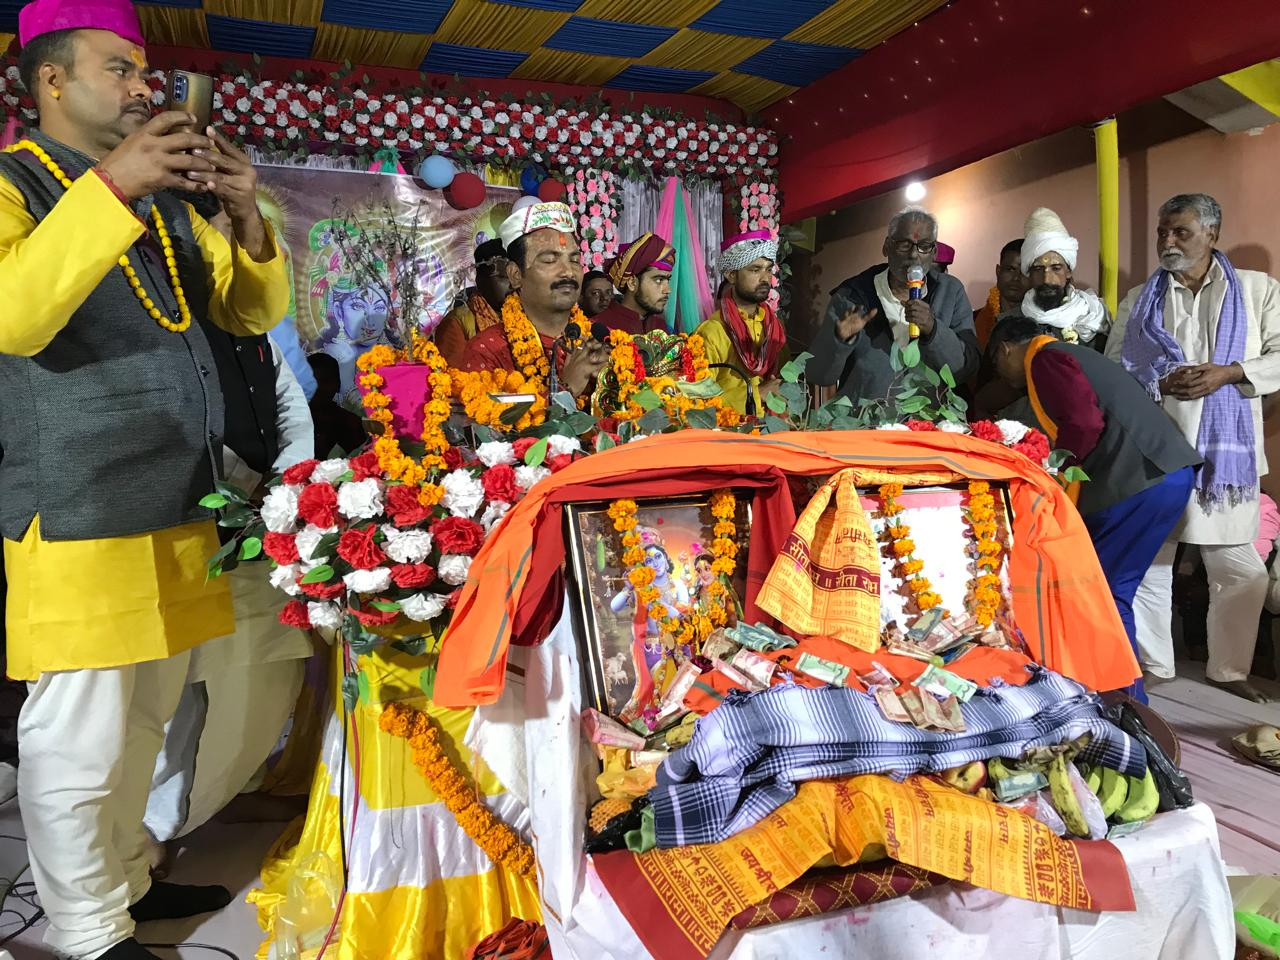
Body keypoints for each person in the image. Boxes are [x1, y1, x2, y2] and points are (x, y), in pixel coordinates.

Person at [0, 1, 289, 957]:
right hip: (79, 507)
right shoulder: (11, 184)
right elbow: (13, 316)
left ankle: (122, 885)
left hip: (177, 504)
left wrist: (243, 214)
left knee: (143, 722)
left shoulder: (164, 206)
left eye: (143, 70)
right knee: (79, 735)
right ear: (51, 80)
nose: (142, 86)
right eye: (119, 68)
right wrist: (116, 184)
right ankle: (84, 932)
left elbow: (247, 313)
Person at [144, 192, 315, 851]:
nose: (232, 251)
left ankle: (174, 821)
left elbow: (289, 404)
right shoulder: (156, 313)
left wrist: (283, 487)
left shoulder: (250, 317)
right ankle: (152, 835)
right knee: (178, 696)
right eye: (216, 236)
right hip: (185, 531)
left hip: (260, 525)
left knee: (259, 684)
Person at [1109, 192, 1280, 703]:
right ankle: (1155, 663)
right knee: (1152, 563)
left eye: (1180, 232)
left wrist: (1231, 372)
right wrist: (1158, 381)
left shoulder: (1257, 290)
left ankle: (1228, 670)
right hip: (1157, 448)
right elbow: (1114, 367)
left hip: (1228, 458)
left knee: (1240, 570)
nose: (1168, 241)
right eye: (1163, 231)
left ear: (1211, 234)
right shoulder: (1139, 299)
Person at [992, 318, 1201, 701]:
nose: (1004, 377)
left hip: (1138, 480)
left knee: (1099, 592)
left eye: (998, 366)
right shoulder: (1073, 354)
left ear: (1005, 349)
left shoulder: (1046, 358)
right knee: (1112, 589)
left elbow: (1085, 423)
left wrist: (1056, 472)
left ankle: (1124, 701)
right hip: (1166, 476)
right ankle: (1123, 696)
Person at [807, 207, 979, 405]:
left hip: (929, 420)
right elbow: (817, 375)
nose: (914, 255)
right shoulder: (852, 296)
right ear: (887, 247)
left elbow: (965, 370)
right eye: (905, 245)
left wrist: (933, 330)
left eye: (924, 246)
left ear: (934, 253)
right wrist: (838, 340)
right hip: (864, 420)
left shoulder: (950, 292)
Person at [458, 201, 609, 402]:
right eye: (549, 260)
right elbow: (486, 420)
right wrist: (567, 388)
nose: (568, 271)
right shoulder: (488, 351)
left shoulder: (602, 341)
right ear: (515, 275)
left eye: (574, 260)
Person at [694, 230, 789, 415]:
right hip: (729, 430)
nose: (765, 278)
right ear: (731, 275)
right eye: (755, 269)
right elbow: (698, 399)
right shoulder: (712, 332)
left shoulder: (774, 328)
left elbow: (784, 382)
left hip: (775, 426)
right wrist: (757, 394)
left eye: (768, 269)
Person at [1015, 207, 1109, 349]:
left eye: (1056, 268)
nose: (1047, 279)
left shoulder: (1092, 320)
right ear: (1029, 273)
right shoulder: (1011, 323)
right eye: (1038, 269)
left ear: (1068, 271)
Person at [433, 238, 509, 367]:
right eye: (503, 277)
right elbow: (454, 376)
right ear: (480, 281)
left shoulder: (527, 316)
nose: (512, 284)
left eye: (515, 276)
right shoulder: (456, 323)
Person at [596, 231, 673, 335]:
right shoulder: (601, 327)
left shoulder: (660, 326)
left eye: (668, 280)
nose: (668, 290)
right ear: (632, 282)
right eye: (658, 280)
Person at [973, 238, 1029, 351]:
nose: (1016, 278)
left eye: (1024, 272)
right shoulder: (973, 320)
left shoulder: (1041, 326)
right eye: (1010, 269)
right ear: (998, 271)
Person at [308, 351, 366, 458]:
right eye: (313, 382)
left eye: (325, 381)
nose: (319, 388)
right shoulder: (288, 421)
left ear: (338, 384)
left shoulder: (351, 424)